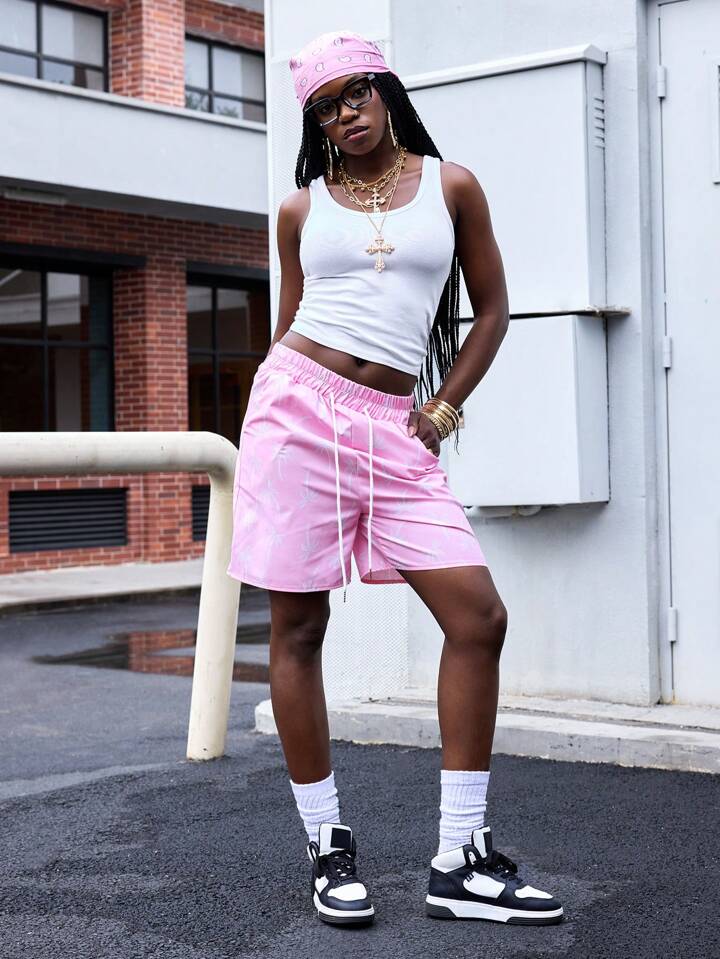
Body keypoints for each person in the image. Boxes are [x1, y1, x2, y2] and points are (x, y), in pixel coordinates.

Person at [227, 29, 563, 928]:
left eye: (357, 94)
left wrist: (443, 408)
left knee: (477, 616)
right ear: (317, 123)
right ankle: (327, 844)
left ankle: (460, 857)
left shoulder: (452, 186)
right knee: (299, 626)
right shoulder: (301, 209)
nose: (346, 115)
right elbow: (291, 324)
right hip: (297, 410)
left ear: (385, 90)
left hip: (395, 424)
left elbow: (493, 309)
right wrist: (275, 417)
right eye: (326, 107)